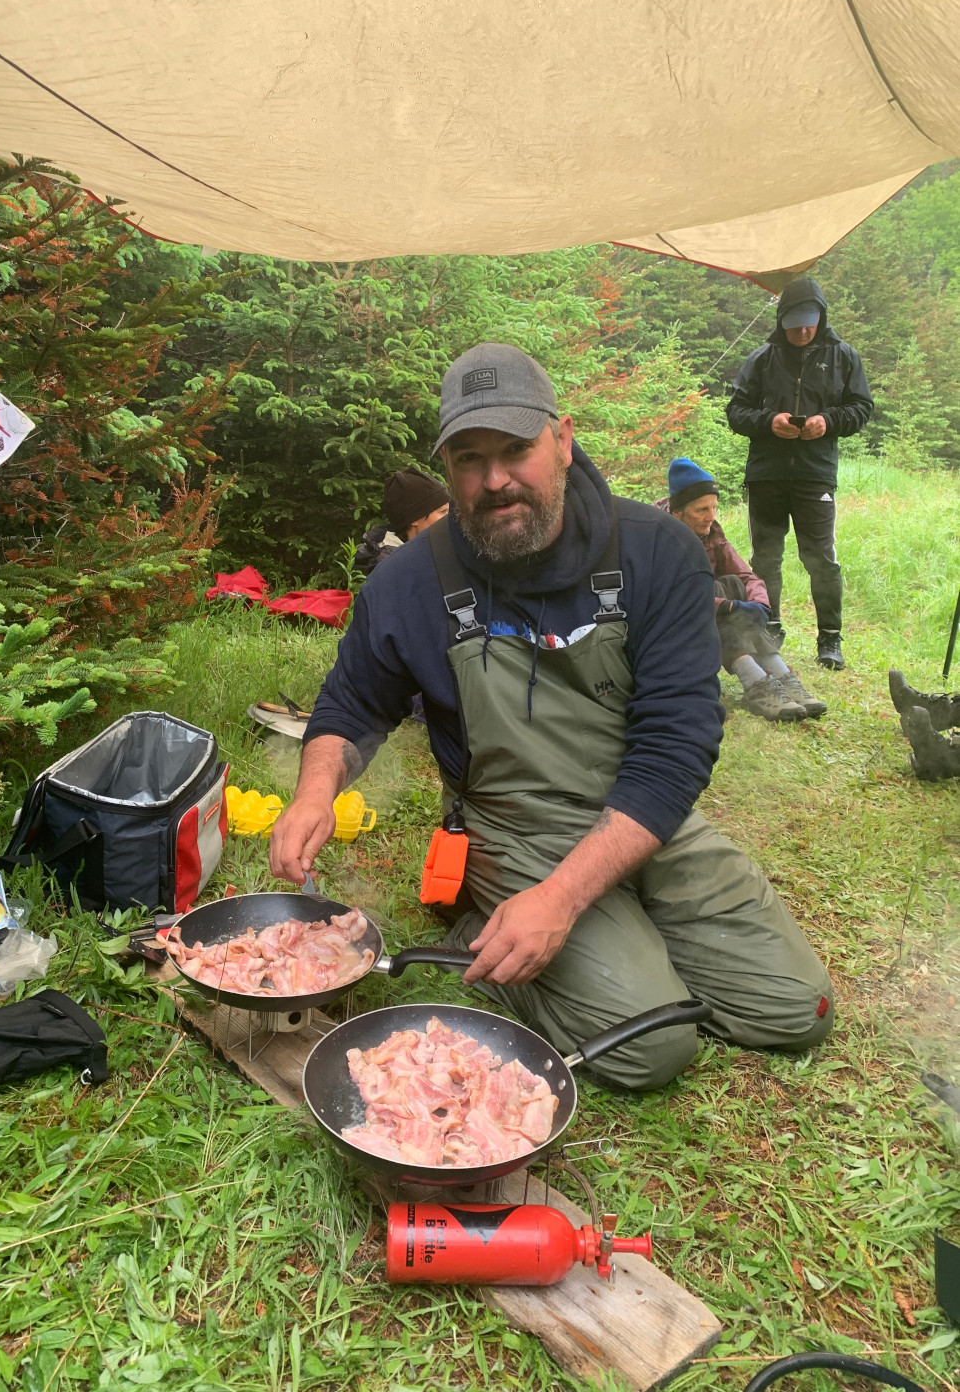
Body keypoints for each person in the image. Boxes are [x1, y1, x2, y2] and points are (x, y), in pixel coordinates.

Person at [270, 342, 833, 1091]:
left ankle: (620, 935)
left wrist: (566, 898)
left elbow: (677, 746)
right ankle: (487, 927)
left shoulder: (658, 552)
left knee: (796, 1010)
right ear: (447, 469)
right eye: (469, 459)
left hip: (646, 814)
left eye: (516, 449)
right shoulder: (409, 582)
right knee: (649, 1049)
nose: (495, 480)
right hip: (515, 827)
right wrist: (315, 792)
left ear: (562, 440)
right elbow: (351, 703)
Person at [726, 276, 873, 672]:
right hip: (767, 474)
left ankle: (830, 638)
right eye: (795, 325)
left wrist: (828, 421)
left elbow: (862, 407)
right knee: (765, 557)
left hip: (815, 474)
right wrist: (768, 421)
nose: (803, 331)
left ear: (821, 317)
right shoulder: (762, 359)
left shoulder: (844, 357)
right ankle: (768, 629)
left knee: (821, 558)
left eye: (809, 323)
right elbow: (735, 411)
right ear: (781, 320)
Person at [657, 458, 826, 722]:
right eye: (702, 510)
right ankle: (756, 683)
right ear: (678, 512)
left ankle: (780, 675)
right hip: (669, 625)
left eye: (714, 507)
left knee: (734, 584)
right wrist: (728, 606)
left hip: (705, 616)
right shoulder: (659, 536)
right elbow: (675, 595)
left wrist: (758, 605)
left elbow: (745, 575)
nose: (711, 516)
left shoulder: (711, 531)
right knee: (717, 591)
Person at [355, 469, 450, 576]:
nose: (450, 517)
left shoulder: (429, 551)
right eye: (443, 511)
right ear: (415, 518)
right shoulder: (393, 570)